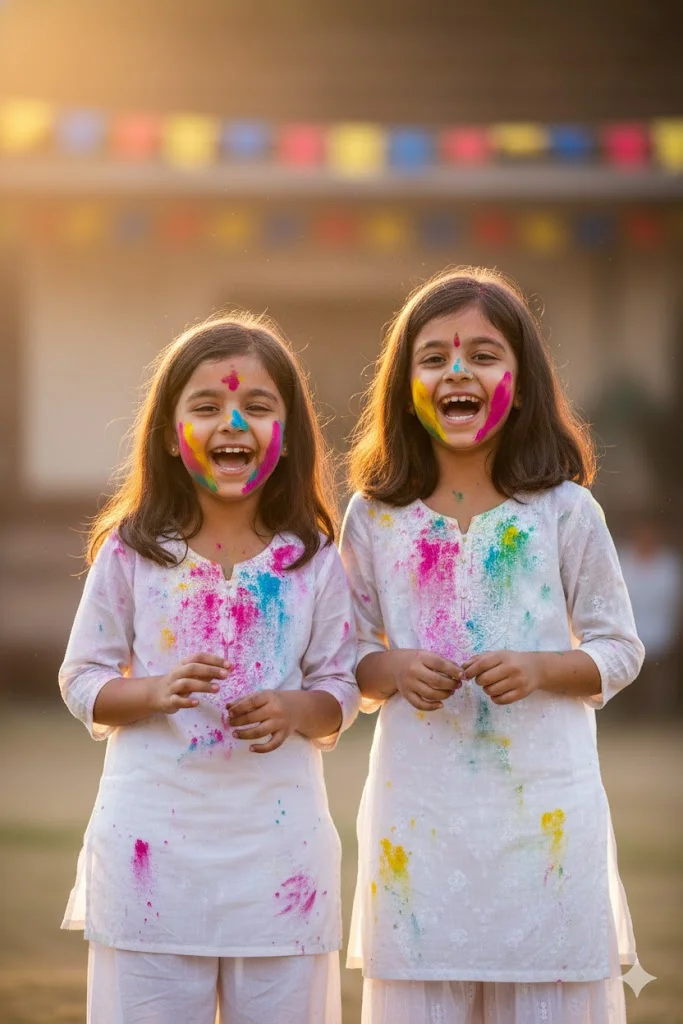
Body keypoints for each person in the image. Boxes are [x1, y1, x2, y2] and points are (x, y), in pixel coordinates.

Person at [340, 268, 644, 1023]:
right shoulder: (373, 517)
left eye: (483, 354)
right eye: (434, 355)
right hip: (418, 819)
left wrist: (541, 668)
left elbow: (618, 647)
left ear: (522, 378)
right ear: (404, 382)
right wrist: (395, 667)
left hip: (543, 817)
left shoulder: (565, 511)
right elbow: (342, 660)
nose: (457, 371)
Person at [59, 314, 359, 1024]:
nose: (233, 421)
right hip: (151, 861)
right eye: (206, 406)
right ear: (168, 432)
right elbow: (82, 682)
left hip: (282, 867)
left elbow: (341, 689)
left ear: (287, 436)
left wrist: (294, 709)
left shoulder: (313, 559)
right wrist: (155, 691)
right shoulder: (132, 555)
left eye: (257, 407)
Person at [618, 515, 682, 715]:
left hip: (660, 640)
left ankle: (658, 716)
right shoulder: (623, 561)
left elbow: (674, 606)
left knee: (657, 685)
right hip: (626, 637)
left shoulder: (670, 566)